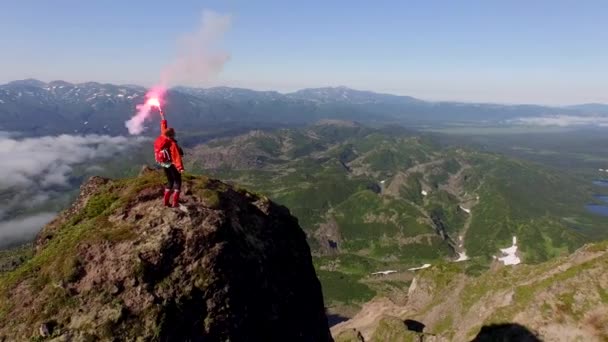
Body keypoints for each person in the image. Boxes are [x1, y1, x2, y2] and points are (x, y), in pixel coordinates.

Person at [154, 110, 185, 207]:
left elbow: (163, 128)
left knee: (170, 181)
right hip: (172, 164)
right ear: (172, 135)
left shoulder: (162, 137)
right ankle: (175, 203)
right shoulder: (172, 143)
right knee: (177, 181)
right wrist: (180, 168)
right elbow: (176, 157)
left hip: (164, 163)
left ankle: (166, 202)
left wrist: (163, 118)